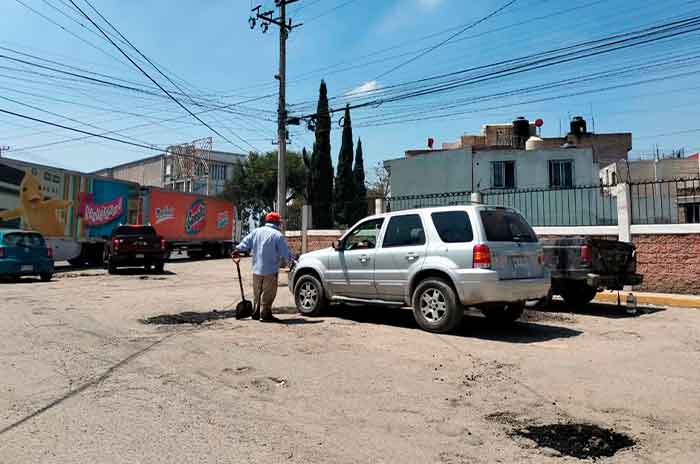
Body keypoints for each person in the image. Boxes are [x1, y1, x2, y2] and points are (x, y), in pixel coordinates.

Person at [232, 211, 295, 322]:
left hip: (256, 269)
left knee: (257, 292)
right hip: (270, 271)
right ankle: (265, 314)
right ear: (276, 222)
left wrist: (237, 249)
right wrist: (293, 261)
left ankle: (256, 311)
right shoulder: (278, 235)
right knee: (268, 293)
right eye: (279, 222)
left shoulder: (256, 232)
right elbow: (285, 253)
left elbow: (245, 243)